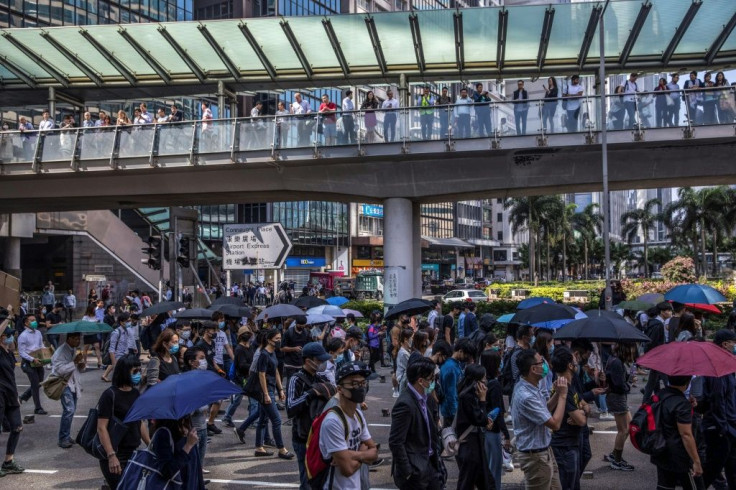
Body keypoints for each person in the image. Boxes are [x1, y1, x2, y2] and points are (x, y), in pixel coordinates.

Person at [511, 349, 567, 490]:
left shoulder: (532, 386)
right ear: (533, 369)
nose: (545, 365)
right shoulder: (526, 395)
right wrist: (563, 396)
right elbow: (555, 424)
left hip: (544, 451)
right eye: (542, 362)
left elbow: (544, 411)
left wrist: (557, 393)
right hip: (535, 457)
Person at [318, 361, 378, 489]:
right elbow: (347, 470)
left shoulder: (358, 414)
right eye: (354, 384)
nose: (360, 388)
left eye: (363, 383)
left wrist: (350, 454)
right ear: (340, 389)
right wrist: (363, 452)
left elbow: (374, 453)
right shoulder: (333, 421)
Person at [96, 355, 150, 489]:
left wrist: (150, 444)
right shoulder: (109, 395)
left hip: (132, 452)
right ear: (125, 372)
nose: (138, 374)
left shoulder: (135, 394)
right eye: (135, 371)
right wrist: (111, 456)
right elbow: (101, 428)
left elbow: (140, 422)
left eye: (139, 370)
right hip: (116, 453)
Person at [389, 357, 443, 490]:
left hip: (431, 464)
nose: (433, 382)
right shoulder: (405, 404)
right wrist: (408, 471)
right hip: (416, 471)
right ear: (421, 381)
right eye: (431, 379)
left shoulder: (427, 398)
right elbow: (396, 441)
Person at [286, 342, 333, 489]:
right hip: (303, 438)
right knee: (307, 482)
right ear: (308, 361)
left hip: (319, 437)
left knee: (320, 479)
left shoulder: (320, 379)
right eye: (319, 361)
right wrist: (311, 393)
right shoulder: (296, 379)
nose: (322, 363)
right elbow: (290, 408)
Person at [651, 374, 703, 490]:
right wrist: (696, 461)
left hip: (661, 449)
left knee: (665, 486)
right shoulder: (681, 404)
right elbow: (686, 435)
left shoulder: (661, 394)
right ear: (688, 382)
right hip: (680, 455)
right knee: (695, 486)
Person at [701, 329, 736, 489]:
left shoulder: (725, 364)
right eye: (733, 342)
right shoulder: (718, 367)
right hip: (720, 427)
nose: (734, 346)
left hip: (727, 425)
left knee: (731, 465)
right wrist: (723, 427)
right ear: (725, 344)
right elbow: (717, 399)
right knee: (712, 468)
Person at [549, 346, 587, 490]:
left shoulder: (565, 384)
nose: (577, 360)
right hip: (564, 445)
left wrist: (583, 411)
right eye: (574, 359)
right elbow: (581, 420)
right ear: (570, 365)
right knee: (568, 485)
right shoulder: (566, 388)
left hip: (568, 443)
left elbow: (582, 411)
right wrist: (582, 412)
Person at [254, 329, 294, 459]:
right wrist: (266, 393)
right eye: (277, 338)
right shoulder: (264, 354)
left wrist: (281, 389)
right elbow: (261, 374)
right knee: (276, 420)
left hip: (272, 388)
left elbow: (276, 371)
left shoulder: (273, 353)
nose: (279, 340)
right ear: (269, 340)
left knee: (263, 419)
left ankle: (259, 447)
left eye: (280, 338)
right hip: (265, 391)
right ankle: (281, 449)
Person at [455, 363, 495, 490]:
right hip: (470, 447)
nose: (486, 382)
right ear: (476, 382)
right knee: (467, 483)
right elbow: (480, 419)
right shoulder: (468, 397)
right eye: (484, 379)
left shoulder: (469, 394)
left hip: (474, 444)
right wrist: (483, 400)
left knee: (487, 482)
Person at [481, 349, 511, 488]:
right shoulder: (494, 384)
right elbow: (497, 411)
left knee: (486, 468)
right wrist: (506, 434)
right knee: (494, 469)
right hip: (493, 432)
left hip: (482, 429)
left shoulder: (480, 382)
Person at [51, 332, 85, 449]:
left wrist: (80, 364)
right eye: (75, 339)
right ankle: (63, 438)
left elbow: (75, 369)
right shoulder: (61, 352)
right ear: (69, 339)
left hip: (72, 383)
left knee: (72, 410)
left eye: (79, 338)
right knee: (69, 410)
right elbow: (59, 370)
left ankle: (66, 435)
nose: (78, 341)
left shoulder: (73, 349)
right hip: (64, 384)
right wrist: (75, 362)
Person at [604, 342, 635, 471]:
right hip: (617, 397)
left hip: (617, 396)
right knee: (623, 430)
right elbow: (619, 384)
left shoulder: (615, 360)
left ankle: (615, 454)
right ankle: (617, 460)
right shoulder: (616, 362)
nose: (633, 351)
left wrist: (627, 380)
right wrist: (628, 384)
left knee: (628, 427)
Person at [181, 348, 210, 474]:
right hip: (192, 429)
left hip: (203, 426)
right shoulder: (186, 381)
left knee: (199, 461)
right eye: (201, 358)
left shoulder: (202, 379)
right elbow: (188, 409)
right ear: (192, 362)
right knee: (191, 464)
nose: (204, 361)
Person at [0, 325, 24, 477]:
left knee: (17, 427)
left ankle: (8, 461)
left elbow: (12, 376)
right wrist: (8, 318)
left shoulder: (9, 354)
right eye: (8, 335)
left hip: (10, 394)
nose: (11, 338)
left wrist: (16, 395)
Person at [439, 338, 476, 427]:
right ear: (460, 351)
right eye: (468, 355)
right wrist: (455, 413)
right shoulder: (451, 368)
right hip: (451, 411)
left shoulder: (454, 364)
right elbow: (450, 393)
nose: (469, 358)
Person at [643, 302, 673, 401]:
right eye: (668, 310)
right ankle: (669, 398)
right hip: (658, 356)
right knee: (664, 378)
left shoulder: (657, 323)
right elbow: (653, 341)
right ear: (662, 312)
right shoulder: (658, 324)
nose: (670, 313)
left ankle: (650, 399)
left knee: (653, 380)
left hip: (657, 356)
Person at [17, 314, 46, 415]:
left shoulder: (38, 333)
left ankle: (23, 397)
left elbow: (41, 345)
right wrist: (32, 359)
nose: (35, 322)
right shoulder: (23, 336)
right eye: (32, 320)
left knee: (40, 382)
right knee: (35, 384)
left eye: (35, 320)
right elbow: (21, 352)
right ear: (26, 323)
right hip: (28, 363)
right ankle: (38, 408)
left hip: (39, 361)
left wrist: (45, 354)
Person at [102, 312, 131, 383]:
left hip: (125, 358)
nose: (129, 323)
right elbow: (111, 349)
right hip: (118, 359)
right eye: (127, 321)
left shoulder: (126, 331)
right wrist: (114, 364)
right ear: (121, 322)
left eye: (129, 321)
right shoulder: (116, 332)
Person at [395, 328, 413, 392]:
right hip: (402, 379)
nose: (413, 340)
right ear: (406, 339)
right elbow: (410, 365)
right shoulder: (404, 353)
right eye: (412, 338)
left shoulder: (407, 350)